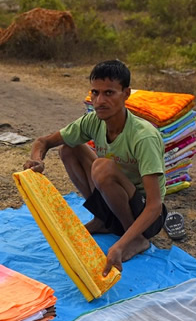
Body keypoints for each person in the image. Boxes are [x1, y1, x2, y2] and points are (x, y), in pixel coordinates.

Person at [24, 59, 168, 276]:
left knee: (103, 167)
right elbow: (43, 142)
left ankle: (134, 238)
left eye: (109, 93)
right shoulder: (93, 121)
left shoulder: (143, 136)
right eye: (95, 93)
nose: (99, 101)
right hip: (114, 201)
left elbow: (155, 205)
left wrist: (120, 245)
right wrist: (37, 160)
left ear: (126, 94)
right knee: (68, 149)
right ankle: (104, 220)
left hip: (145, 216)